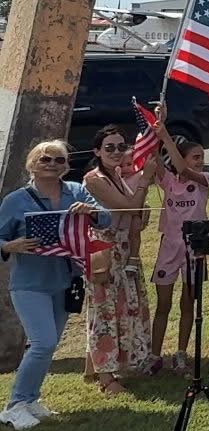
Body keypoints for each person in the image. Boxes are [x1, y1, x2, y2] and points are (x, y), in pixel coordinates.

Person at [0, 141, 110, 430]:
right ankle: (14, 405)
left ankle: (31, 399)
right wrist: (11, 245)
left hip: (65, 280)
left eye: (59, 160)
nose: (51, 164)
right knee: (43, 342)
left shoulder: (75, 191)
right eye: (45, 159)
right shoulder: (15, 200)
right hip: (29, 283)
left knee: (49, 346)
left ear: (66, 165)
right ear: (32, 163)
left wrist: (92, 211)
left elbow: (106, 218)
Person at [83, 125, 159, 393]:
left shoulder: (116, 175)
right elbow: (129, 207)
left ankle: (104, 367)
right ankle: (106, 379)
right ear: (97, 151)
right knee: (104, 314)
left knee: (124, 310)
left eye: (120, 146)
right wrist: (146, 178)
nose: (116, 152)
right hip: (105, 252)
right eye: (109, 148)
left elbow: (134, 213)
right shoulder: (94, 179)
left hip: (125, 251)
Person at [149, 106, 209, 373]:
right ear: (183, 156)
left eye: (201, 157)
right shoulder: (167, 182)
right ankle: (153, 356)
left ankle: (181, 354)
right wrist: (158, 127)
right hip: (169, 246)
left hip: (194, 248)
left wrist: (166, 137)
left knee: (188, 304)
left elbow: (185, 171)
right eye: (196, 157)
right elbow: (155, 159)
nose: (200, 161)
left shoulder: (204, 179)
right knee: (163, 304)